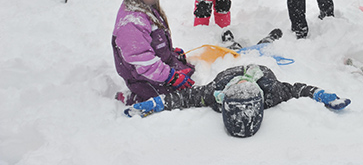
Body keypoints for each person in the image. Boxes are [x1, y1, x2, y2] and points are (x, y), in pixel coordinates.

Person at [124, 64, 351, 137]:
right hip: (260, 71)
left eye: (240, 88)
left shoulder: (214, 93)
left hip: (227, 73)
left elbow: (184, 97)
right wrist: (321, 94)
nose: (243, 84)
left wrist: (156, 103)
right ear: (260, 99)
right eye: (248, 88)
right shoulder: (272, 92)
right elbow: (299, 90)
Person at [112, 0, 195, 105]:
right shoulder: (131, 23)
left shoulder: (146, 9)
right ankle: (135, 97)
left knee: (190, 71)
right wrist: (172, 76)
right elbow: (142, 61)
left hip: (156, 69)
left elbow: (154, 41)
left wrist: (167, 52)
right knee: (183, 95)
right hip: (143, 77)